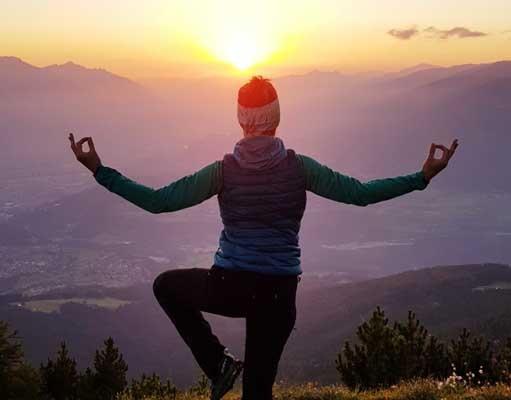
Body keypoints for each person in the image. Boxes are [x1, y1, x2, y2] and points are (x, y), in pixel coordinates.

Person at [68, 76, 458, 400]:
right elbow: (360, 193)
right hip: (278, 293)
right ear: (277, 119)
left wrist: (100, 170)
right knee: (258, 394)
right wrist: (421, 177)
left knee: (166, 286)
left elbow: (158, 202)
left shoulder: (222, 171)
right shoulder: (300, 168)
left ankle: (217, 363)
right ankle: (223, 367)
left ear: (240, 120)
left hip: (229, 286)